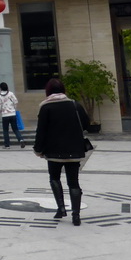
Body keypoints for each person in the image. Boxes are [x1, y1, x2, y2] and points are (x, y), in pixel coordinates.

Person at [34, 77, 90, 225]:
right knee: (74, 183)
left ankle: (61, 209)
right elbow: (86, 123)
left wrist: (38, 149)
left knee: (54, 178)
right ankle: (76, 216)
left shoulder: (45, 107)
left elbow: (41, 131)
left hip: (53, 151)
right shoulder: (74, 105)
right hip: (74, 150)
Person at [0, 82, 26, 149]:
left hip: (5, 115)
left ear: (0, 88)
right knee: (15, 129)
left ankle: (7, 145)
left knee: (5, 130)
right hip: (12, 114)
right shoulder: (11, 94)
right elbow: (16, 101)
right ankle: (21, 139)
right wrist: (14, 108)